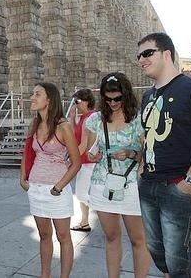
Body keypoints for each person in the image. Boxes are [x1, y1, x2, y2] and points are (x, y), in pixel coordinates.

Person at [137, 32, 191, 277]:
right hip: (149, 184)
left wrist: (190, 182)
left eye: (147, 53)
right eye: (139, 55)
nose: (141, 59)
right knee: (158, 254)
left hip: (179, 187)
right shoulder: (147, 96)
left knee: (179, 264)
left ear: (167, 54)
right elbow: (148, 137)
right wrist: (142, 171)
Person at [84, 73, 151, 278]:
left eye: (117, 98)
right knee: (111, 237)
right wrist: (93, 155)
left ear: (126, 95)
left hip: (131, 185)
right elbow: (90, 149)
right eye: (108, 98)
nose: (112, 102)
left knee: (138, 239)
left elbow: (148, 154)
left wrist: (130, 153)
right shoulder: (96, 119)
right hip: (103, 185)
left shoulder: (138, 119)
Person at [20, 82, 82, 278]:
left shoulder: (63, 126)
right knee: (44, 236)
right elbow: (27, 152)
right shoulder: (34, 124)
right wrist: (23, 177)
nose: (32, 97)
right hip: (36, 189)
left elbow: (76, 162)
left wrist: (58, 187)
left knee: (63, 237)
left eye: (37, 94)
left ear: (49, 100)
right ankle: (44, 275)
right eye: (33, 93)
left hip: (57, 191)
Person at [68, 88, 96, 232]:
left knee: (81, 193)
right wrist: (72, 118)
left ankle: (105, 208)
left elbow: (84, 145)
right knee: (82, 192)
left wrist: (71, 160)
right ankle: (84, 222)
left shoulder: (89, 118)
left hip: (88, 162)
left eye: (77, 101)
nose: (76, 104)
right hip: (85, 161)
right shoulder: (84, 117)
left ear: (86, 101)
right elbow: (74, 137)